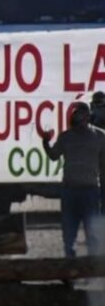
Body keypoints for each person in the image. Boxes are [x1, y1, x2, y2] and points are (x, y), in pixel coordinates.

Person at [42, 101, 105, 257]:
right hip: (70, 190)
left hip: (90, 190)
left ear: (88, 116)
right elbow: (54, 156)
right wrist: (45, 143)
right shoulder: (66, 137)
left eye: (83, 114)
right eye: (77, 114)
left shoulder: (100, 136)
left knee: (92, 233)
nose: (80, 117)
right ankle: (71, 269)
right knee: (69, 233)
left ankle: (93, 271)